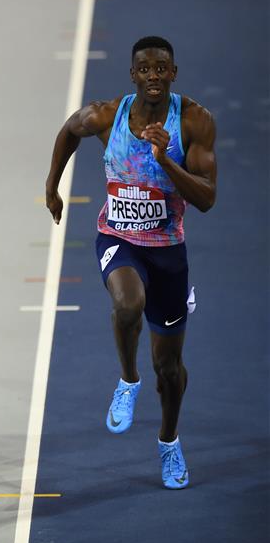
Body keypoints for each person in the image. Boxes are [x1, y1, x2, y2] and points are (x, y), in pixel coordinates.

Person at [45, 36, 217, 489]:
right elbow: (68, 130)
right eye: (145, 69)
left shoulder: (194, 121)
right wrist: (51, 185)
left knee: (171, 370)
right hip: (118, 239)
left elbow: (206, 198)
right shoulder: (107, 115)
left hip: (168, 252)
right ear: (133, 75)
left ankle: (169, 441)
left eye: (162, 69)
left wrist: (165, 160)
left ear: (173, 73)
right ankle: (127, 380)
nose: (154, 76)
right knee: (127, 304)